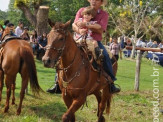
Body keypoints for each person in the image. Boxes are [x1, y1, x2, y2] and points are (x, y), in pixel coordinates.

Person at [72, 0, 120, 93]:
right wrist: (79, 30)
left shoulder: (104, 14)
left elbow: (101, 29)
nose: (94, 1)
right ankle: (58, 82)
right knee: (63, 51)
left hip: (94, 40)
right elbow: (74, 25)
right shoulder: (81, 10)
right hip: (78, 38)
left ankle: (111, 83)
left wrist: (86, 24)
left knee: (105, 55)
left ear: (101, 2)